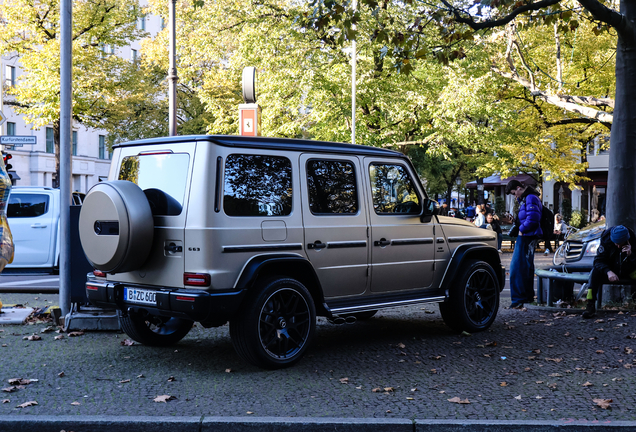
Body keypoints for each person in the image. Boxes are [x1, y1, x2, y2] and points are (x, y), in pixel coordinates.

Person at [582, 225, 636, 319]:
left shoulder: (633, 242)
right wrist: (608, 271)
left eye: (621, 243)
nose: (618, 246)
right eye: (616, 243)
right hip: (610, 269)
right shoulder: (606, 241)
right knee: (594, 273)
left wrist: (631, 255)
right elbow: (598, 261)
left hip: (628, 269)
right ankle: (590, 304)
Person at [505, 180, 543, 309]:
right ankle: (526, 296)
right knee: (526, 267)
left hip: (526, 235)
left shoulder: (530, 198)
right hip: (529, 235)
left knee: (517, 267)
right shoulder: (530, 198)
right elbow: (531, 217)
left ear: (519, 188)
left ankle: (518, 299)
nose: (514, 195)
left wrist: (521, 229)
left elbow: (533, 219)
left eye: (514, 192)